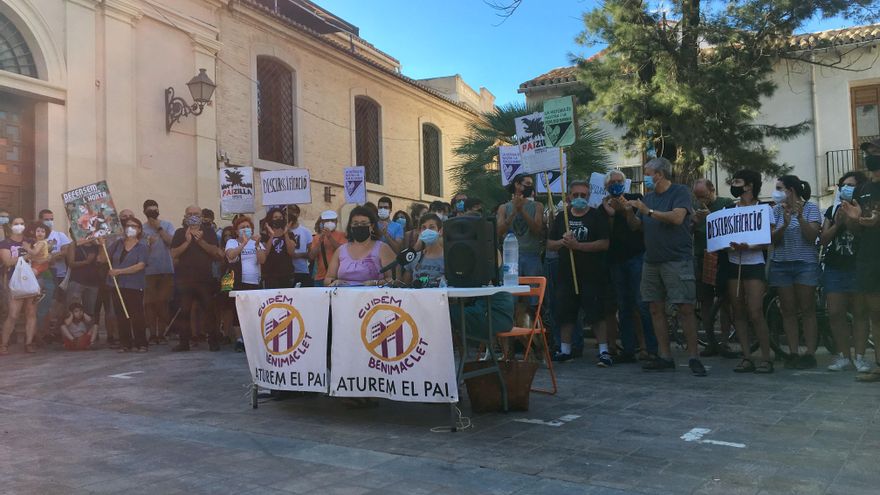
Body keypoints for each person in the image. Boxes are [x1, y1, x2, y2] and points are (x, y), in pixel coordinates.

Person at [627, 157, 707, 376]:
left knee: (685, 308)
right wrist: (627, 211)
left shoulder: (680, 192)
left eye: (647, 173)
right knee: (654, 308)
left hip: (677, 260)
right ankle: (665, 356)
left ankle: (694, 357)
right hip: (652, 260)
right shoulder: (648, 197)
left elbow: (678, 218)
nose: (645, 178)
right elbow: (636, 226)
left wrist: (648, 212)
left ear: (659, 175)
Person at [548, 181, 615, 366]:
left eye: (583, 195)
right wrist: (563, 242)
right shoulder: (562, 217)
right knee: (566, 313)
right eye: (575, 195)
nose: (579, 198)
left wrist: (578, 246)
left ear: (588, 196)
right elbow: (550, 244)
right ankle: (565, 350)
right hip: (566, 274)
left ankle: (603, 351)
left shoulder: (596, 216)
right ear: (569, 196)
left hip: (592, 274)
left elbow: (604, 243)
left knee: (596, 313)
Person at [603, 170, 659, 362]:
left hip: (636, 257)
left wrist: (625, 210)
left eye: (619, 181)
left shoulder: (636, 199)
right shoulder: (603, 205)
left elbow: (638, 226)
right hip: (615, 260)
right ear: (606, 186)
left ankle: (650, 349)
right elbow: (606, 233)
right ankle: (628, 350)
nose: (616, 184)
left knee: (642, 304)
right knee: (623, 306)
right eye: (612, 182)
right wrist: (610, 213)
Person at [769, 174, 821, 369]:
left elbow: (812, 236)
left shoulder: (811, 208)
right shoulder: (775, 210)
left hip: (805, 264)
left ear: (790, 190)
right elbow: (771, 239)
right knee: (788, 310)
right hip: (781, 264)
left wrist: (799, 218)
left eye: (779, 188)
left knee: (807, 309)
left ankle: (810, 353)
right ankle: (792, 352)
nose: (776, 192)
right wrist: (784, 224)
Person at [820, 171, 870, 372]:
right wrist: (838, 223)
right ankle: (843, 356)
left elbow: (860, 233)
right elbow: (824, 239)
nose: (846, 188)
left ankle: (860, 357)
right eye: (843, 185)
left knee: (860, 313)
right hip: (835, 268)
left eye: (851, 185)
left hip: (858, 267)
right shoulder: (832, 210)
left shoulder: (865, 209)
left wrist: (851, 218)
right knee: (835, 313)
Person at [725, 170, 773, 373]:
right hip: (733, 264)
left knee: (755, 311)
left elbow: (768, 240)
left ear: (749, 185)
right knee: (738, 312)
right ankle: (746, 356)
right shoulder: (729, 209)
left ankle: (766, 358)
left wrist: (749, 246)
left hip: (754, 264)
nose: (734, 185)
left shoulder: (764, 209)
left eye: (737, 181)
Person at [841, 150, 880, 381]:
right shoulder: (862, 189)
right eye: (869, 152)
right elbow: (855, 229)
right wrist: (854, 219)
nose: (871, 156)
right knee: (876, 313)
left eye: (876, 151)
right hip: (869, 258)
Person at [690, 179, 735, 358]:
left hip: (722, 256)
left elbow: (730, 227)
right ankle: (710, 342)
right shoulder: (694, 207)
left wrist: (710, 217)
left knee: (724, 301)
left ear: (712, 190)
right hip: (702, 255)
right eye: (697, 196)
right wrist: (694, 222)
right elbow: (687, 231)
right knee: (705, 301)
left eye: (703, 195)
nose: (701, 200)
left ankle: (725, 341)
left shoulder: (726, 203)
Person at [170, 205, 222, 352]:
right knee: (184, 312)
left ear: (201, 216)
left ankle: (213, 341)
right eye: (190, 214)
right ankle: (184, 343)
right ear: (185, 216)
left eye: (196, 214)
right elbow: (173, 254)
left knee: (209, 311)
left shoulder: (209, 232)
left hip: (204, 279)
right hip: (184, 279)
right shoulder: (180, 233)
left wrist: (201, 242)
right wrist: (187, 242)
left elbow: (216, 252)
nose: (193, 216)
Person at [99, 217, 148, 353]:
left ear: (139, 230)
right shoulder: (117, 244)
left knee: (136, 314)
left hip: (134, 285)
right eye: (128, 226)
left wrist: (119, 271)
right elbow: (103, 259)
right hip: (117, 285)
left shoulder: (142, 246)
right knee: (120, 314)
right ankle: (125, 343)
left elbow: (140, 265)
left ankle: (141, 342)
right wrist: (101, 245)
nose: (130, 228)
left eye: (134, 226)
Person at [324, 206, 395, 287]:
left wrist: (376, 283)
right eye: (355, 224)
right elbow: (328, 279)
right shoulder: (341, 250)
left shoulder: (383, 249)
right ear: (351, 226)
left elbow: (394, 279)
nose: (359, 226)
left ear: (372, 226)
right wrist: (335, 281)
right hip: (344, 293)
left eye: (364, 223)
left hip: (375, 294)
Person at [0, 217, 40, 354]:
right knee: (13, 314)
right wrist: (25, 257)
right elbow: (7, 261)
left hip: (31, 281)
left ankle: (29, 343)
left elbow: (39, 257)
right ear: (10, 225)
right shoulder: (5, 243)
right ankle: (3, 344)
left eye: (22, 223)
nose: (19, 226)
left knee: (31, 313)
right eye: (16, 224)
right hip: (14, 281)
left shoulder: (30, 241)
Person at [496, 175, 544, 282]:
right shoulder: (504, 208)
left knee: (533, 290)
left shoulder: (537, 206)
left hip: (531, 255)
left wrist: (522, 210)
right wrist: (513, 213)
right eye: (527, 184)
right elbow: (499, 231)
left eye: (531, 184)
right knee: (511, 289)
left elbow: (537, 229)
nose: (530, 187)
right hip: (510, 256)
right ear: (517, 185)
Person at [141, 200, 175, 345]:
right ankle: (153, 334)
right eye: (150, 211)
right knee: (149, 304)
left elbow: (172, 242)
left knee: (162, 302)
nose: (153, 213)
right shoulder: (142, 229)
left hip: (166, 270)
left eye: (155, 210)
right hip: (148, 272)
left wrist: (159, 228)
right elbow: (139, 250)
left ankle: (162, 333)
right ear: (145, 212)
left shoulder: (167, 225)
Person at [402, 213, 445, 286]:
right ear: (420, 232)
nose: (427, 230)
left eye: (432, 227)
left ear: (440, 231)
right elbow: (404, 285)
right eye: (424, 228)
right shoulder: (414, 257)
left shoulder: (447, 258)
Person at [225, 215, 265, 291]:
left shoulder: (256, 243)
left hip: (255, 283)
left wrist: (257, 245)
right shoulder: (232, 242)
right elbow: (231, 255)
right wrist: (244, 243)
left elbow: (262, 260)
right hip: (237, 283)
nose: (246, 229)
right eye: (242, 227)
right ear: (237, 231)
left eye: (248, 227)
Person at [309, 210, 346, 287]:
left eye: (332, 220)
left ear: (336, 221)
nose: (329, 223)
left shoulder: (342, 235)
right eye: (327, 221)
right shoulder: (317, 237)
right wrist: (319, 242)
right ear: (322, 222)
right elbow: (311, 256)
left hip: (338, 277)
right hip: (320, 277)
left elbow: (343, 251)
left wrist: (330, 237)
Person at [260, 208, 296, 289]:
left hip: (286, 273)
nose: (278, 219)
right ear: (271, 219)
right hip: (270, 275)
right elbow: (265, 253)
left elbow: (291, 252)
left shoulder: (290, 234)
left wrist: (285, 234)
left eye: (280, 217)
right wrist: (272, 235)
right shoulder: (264, 235)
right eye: (275, 217)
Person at [286, 204, 313, 287]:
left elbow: (311, 254)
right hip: (286, 272)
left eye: (292, 212)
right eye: (288, 212)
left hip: (302, 271)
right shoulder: (282, 232)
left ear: (297, 214)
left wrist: (298, 255)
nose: (290, 214)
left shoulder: (306, 232)